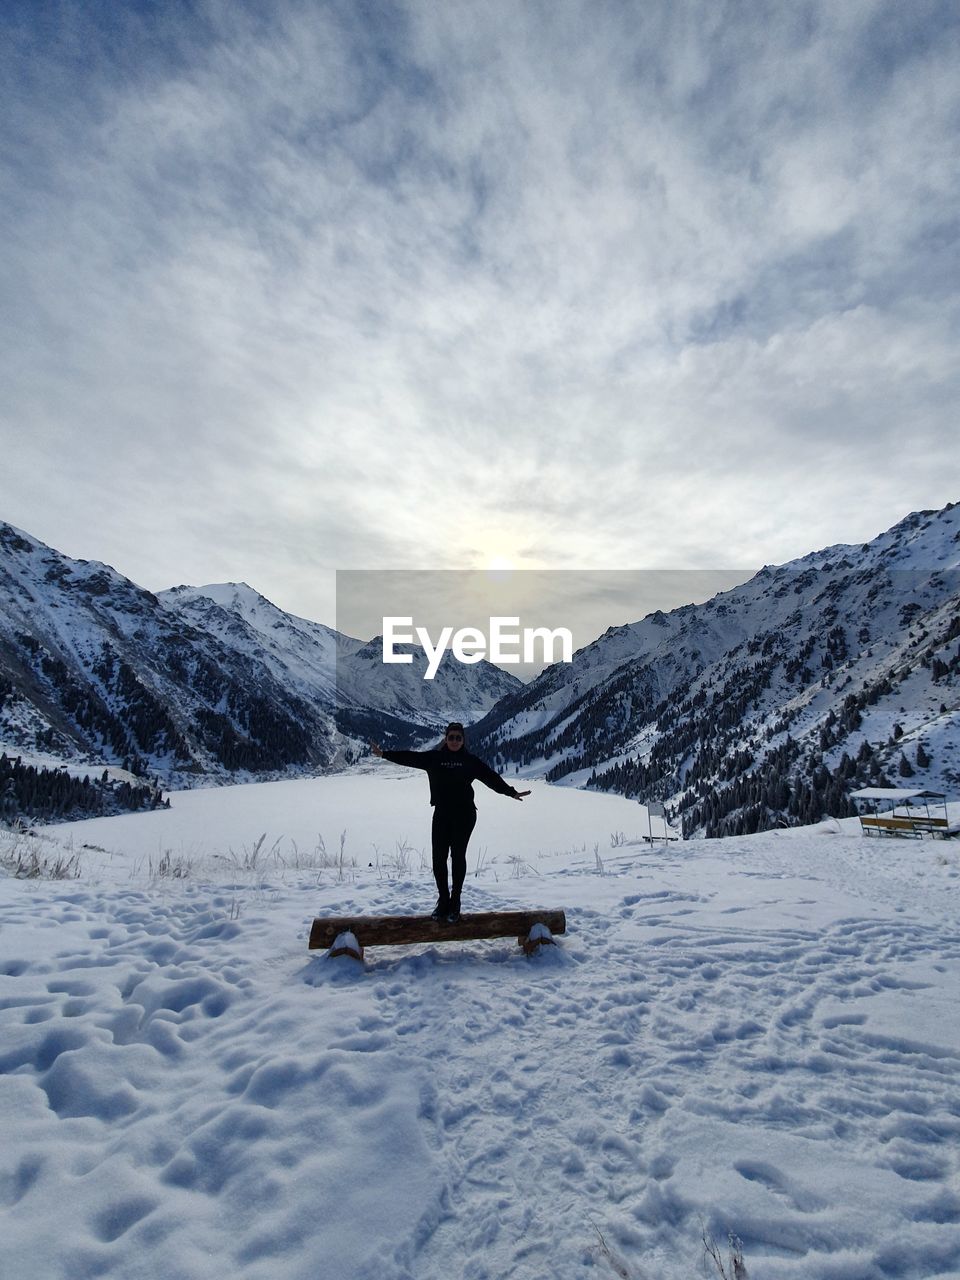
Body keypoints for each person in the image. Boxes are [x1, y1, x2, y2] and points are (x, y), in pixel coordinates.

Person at [370, 722, 530, 923]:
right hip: (441, 813)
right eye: (451, 737)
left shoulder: (470, 761)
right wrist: (384, 754)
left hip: (465, 814)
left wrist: (511, 792)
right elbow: (410, 757)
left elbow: (491, 778)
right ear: (446, 739)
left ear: (463, 740)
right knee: (438, 859)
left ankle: (455, 901)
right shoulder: (434, 758)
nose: (454, 741)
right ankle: (443, 900)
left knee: (457, 856)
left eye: (458, 738)